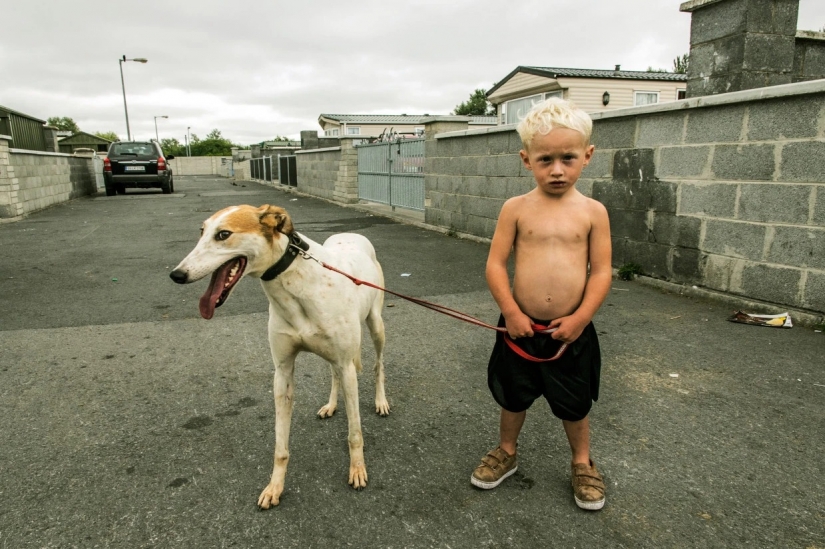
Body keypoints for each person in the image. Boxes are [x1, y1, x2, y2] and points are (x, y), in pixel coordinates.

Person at [470, 97, 612, 511]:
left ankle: (582, 462)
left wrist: (582, 319)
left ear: (587, 156)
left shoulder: (593, 212)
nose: (556, 169)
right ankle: (507, 451)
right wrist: (512, 312)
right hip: (520, 328)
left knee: (574, 401)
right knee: (513, 395)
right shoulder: (515, 209)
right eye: (545, 158)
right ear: (525, 159)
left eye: (568, 158)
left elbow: (602, 271)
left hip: (570, 332)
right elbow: (496, 264)